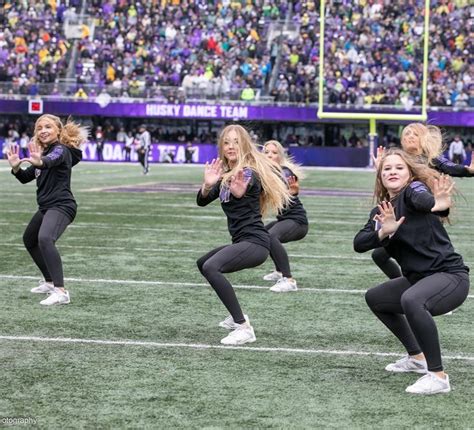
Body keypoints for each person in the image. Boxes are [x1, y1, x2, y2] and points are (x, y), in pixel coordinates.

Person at [354, 149, 469, 395]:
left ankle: (438, 376)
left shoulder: (413, 190)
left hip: (450, 276)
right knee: (375, 297)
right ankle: (417, 358)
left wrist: (439, 204)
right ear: (380, 176)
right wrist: (384, 231)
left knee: (411, 299)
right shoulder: (381, 210)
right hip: (420, 279)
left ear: (409, 174)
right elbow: (359, 243)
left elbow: (426, 201)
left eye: (398, 167)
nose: (392, 171)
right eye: (387, 169)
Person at [196, 125, 291, 345]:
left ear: (245, 145)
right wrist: (207, 185)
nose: (230, 146)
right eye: (227, 142)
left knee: (212, 267)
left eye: (236, 142)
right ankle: (236, 315)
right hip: (243, 241)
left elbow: (247, 186)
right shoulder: (226, 176)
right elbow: (201, 201)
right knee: (203, 263)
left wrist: (240, 191)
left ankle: (243, 327)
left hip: (256, 243)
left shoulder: (248, 172)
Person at [372, 123, 474, 280]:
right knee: (379, 255)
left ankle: (442, 281)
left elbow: (450, 167)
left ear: (424, 139)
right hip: (405, 214)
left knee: (427, 255)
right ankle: (404, 283)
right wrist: (380, 169)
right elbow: (389, 190)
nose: (410, 137)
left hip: (425, 215)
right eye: (406, 134)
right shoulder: (398, 160)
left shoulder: (431, 159)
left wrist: (468, 170)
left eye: (415, 134)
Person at [7, 114, 87, 305]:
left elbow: (51, 160)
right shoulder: (44, 153)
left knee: (45, 238)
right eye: (40, 128)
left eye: (48, 127)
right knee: (29, 239)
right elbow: (26, 177)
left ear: (58, 130)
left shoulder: (61, 150)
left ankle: (61, 292)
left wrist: (40, 161)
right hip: (46, 206)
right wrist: (16, 168)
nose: (43, 130)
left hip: (62, 205)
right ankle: (50, 282)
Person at [261, 140, 308, 292]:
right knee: (262, 234)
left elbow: (288, 193)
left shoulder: (284, 172)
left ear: (280, 157)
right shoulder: (266, 172)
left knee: (271, 236)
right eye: (266, 152)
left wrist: (292, 193)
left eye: (274, 153)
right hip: (284, 219)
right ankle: (279, 271)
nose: (270, 155)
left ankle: (289, 280)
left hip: (297, 222)